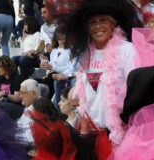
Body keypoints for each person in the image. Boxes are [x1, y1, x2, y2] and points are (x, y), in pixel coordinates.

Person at [47, 0, 142, 143]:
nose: (98, 26)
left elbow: (136, 89)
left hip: (119, 133)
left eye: (103, 20)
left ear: (113, 23)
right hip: (91, 133)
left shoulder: (126, 49)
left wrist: (122, 124)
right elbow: (85, 97)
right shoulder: (86, 53)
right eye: (92, 22)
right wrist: (84, 131)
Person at [42, 29, 78, 106]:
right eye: (59, 34)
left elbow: (70, 69)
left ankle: (54, 107)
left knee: (52, 81)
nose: (61, 36)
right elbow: (51, 66)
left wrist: (53, 68)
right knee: (45, 79)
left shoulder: (71, 51)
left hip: (66, 75)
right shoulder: (54, 50)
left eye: (63, 34)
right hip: (55, 74)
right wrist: (46, 63)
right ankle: (47, 105)